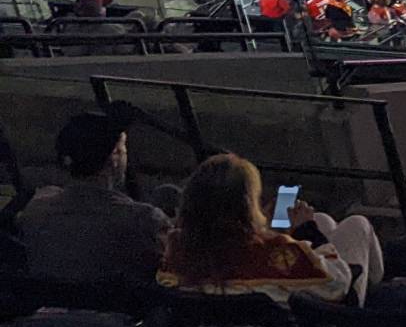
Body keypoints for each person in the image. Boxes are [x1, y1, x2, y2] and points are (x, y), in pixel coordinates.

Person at [156, 152, 384, 305]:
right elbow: (340, 283)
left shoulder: (177, 251)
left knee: (324, 220)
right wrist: (307, 231)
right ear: (247, 206)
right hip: (312, 325)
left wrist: (268, 232)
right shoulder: (275, 252)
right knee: (357, 224)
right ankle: (378, 298)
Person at [17, 107, 172, 283]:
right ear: (114, 157)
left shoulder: (37, 209)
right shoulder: (143, 220)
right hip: (119, 307)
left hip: (47, 305)